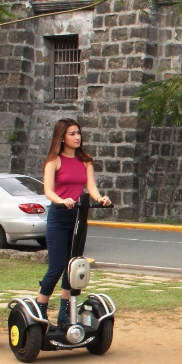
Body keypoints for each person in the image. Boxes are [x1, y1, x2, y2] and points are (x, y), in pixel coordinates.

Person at [36, 118, 112, 326]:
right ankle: (40, 308)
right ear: (62, 137)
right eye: (72, 134)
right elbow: (48, 190)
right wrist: (62, 201)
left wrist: (101, 198)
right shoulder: (54, 161)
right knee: (57, 265)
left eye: (78, 133)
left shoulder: (85, 160)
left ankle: (65, 311)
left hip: (78, 216)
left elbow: (91, 187)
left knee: (74, 265)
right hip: (59, 216)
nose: (77, 137)